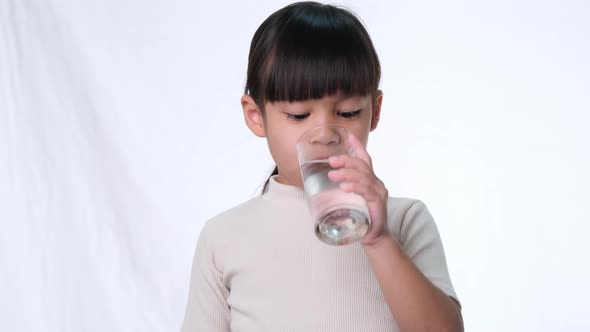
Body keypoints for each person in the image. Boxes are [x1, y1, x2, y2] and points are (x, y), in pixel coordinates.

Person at [180, 2, 463, 331]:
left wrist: (379, 240)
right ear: (256, 116)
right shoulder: (223, 237)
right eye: (299, 115)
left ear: (375, 111)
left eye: (348, 113)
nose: (325, 134)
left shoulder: (403, 220)